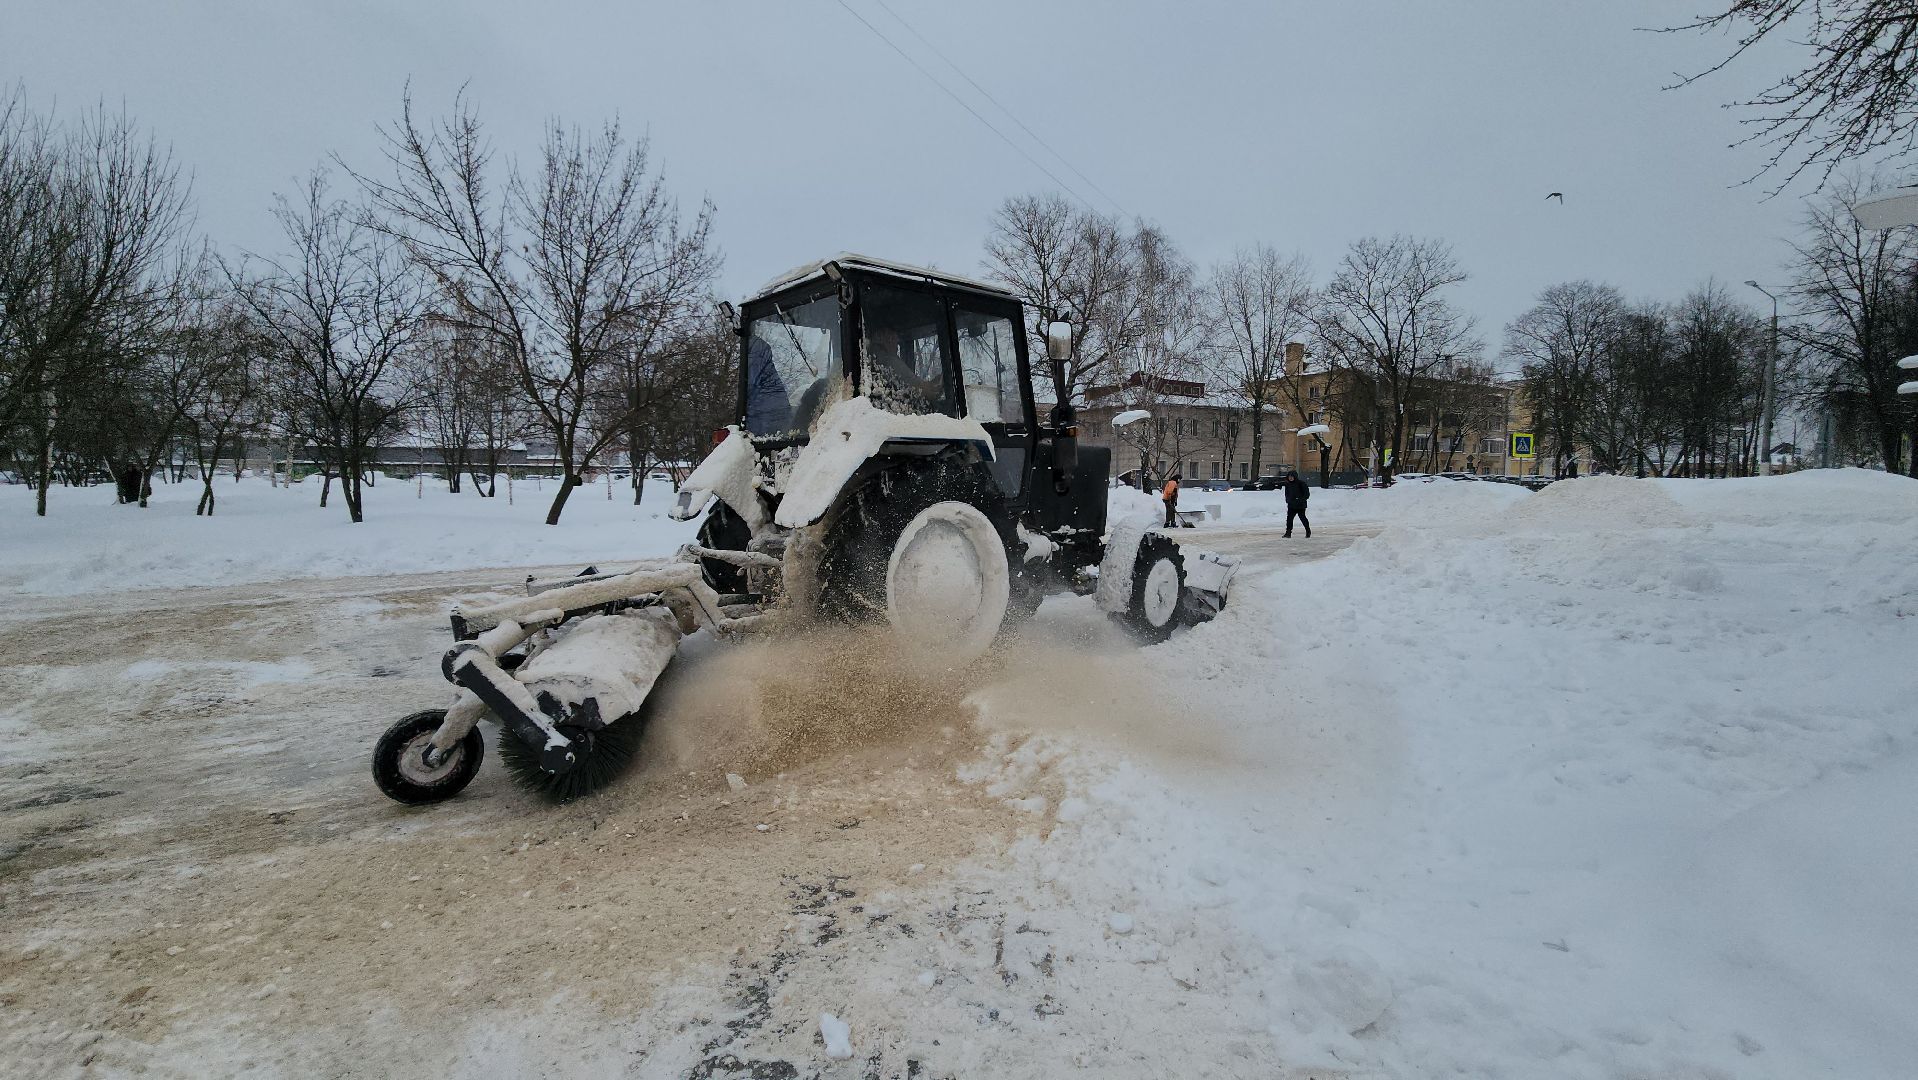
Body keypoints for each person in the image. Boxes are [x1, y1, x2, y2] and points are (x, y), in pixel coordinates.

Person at [1282, 468, 1312, 538]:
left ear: (1295, 477)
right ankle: (1288, 533)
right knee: (1289, 519)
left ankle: (1308, 531)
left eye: (1292, 477)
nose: (1290, 478)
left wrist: (1300, 500)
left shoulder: (1301, 483)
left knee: (1302, 518)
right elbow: (1287, 494)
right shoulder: (1288, 484)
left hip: (1300, 505)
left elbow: (1306, 494)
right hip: (1291, 505)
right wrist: (1288, 500)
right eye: (1289, 477)